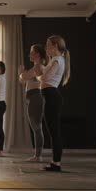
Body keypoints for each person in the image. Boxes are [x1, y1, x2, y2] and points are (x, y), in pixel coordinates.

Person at [35, 35, 70, 171]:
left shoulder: (57, 60)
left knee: (54, 132)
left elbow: (45, 77)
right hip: (50, 96)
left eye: (48, 45)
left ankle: (56, 163)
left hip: (52, 97)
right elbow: (42, 73)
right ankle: (55, 162)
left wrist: (39, 76)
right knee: (52, 131)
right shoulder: (54, 60)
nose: (46, 48)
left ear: (55, 46)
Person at [19, 44, 48, 162]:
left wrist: (21, 73)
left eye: (31, 52)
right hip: (32, 97)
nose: (29, 54)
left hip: (36, 96)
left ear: (37, 54)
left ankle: (38, 156)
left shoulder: (38, 67)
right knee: (36, 126)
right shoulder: (36, 67)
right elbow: (23, 79)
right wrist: (23, 75)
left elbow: (23, 77)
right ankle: (37, 155)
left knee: (36, 126)